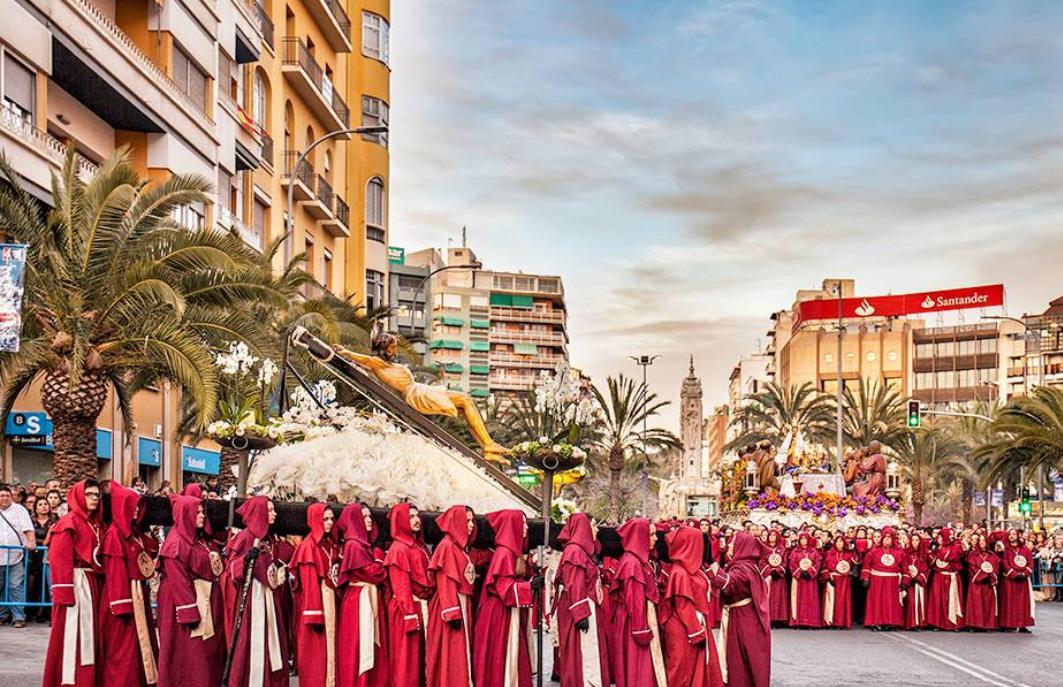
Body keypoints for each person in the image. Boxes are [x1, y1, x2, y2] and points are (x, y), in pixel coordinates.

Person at [332, 332, 511, 461]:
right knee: (465, 400)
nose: (395, 351)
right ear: (384, 348)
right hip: (417, 394)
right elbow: (364, 359)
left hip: (419, 390)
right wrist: (345, 353)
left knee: (465, 404)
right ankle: (488, 444)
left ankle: (487, 446)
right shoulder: (377, 362)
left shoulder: (382, 364)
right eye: (392, 347)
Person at [157, 491, 226, 687]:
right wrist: (189, 612)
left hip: (203, 599)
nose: (202, 516)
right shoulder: (175, 543)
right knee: (189, 654)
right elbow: (178, 581)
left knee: (206, 652)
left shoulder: (202, 539)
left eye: (203, 512)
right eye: (197, 513)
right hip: (185, 604)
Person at [41, 480, 104, 687]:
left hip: (93, 585)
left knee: (91, 637)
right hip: (76, 586)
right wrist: (64, 593)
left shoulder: (97, 524)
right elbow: (59, 559)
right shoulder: (68, 523)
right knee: (73, 637)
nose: (94, 498)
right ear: (78, 496)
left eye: (97, 494)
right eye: (89, 494)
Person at [226, 496, 290, 687]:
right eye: (270, 510)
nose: (274, 514)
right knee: (251, 644)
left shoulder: (268, 538)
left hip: (269, 598)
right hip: (252, 601)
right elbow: (231, 570)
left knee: (271, 643)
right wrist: (245, 559)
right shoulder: (246, 537)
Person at [99, 483, 159, 686]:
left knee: (138, 645)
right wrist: (121, 604)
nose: (136, 510)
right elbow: (115, 573)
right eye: (132, 505)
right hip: (125, 597)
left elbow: (150, 550)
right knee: (123, 649)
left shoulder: (134, 533)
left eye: (138, 506)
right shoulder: (115, 535)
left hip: (138, 594)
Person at [474, 510, 536, 687]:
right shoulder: (504, 554)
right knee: (502, 660)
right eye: (522, 523)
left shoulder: (511, 552)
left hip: (506, 614)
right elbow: (505, 589)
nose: (526, 527)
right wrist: (530, 587)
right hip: (499, 615)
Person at [661, 525, 723, 687]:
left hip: (694, 625)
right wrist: (695, 632)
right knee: (682, 672)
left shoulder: (691, 569)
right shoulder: (680, 572)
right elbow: (683, 606)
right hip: (685, 629)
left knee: (695, 668)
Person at [555, 512, 611, 687]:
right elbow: (575, 584)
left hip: (586, 608)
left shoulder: (581, 552)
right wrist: (581, 614)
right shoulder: (575, 552)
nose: (596, 530)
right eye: (593, 525)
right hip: (580, 611)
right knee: (581, 658)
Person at [708, 531, 770, 687]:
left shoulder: (743, 569)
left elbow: (729, 584)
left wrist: (710, 563)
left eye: (733, 542)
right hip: (746, 617)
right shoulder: (748, 566)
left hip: (742, 619)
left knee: (738, 659)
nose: (729, 545)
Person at [336, 503, 388, 687]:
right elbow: (374, 573)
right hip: (359, 602)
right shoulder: (354, 545)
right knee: (358, 647)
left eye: (369, 516)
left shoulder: (361, 545)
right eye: (364, 516)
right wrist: (379, 556)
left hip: (363, 598)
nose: (369, 520)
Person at [611, 518, 666, 687]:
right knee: (638, 667)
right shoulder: (632, 563)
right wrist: (640, 629)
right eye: (651, 534)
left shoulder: (636, 559)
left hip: (637, 618)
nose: (655, 538)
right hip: (635, 622)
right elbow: (634, 601)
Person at [426, 505, 477, 687]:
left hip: (461, 603)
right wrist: (452, 613)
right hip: (450, 607)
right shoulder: (447, 547)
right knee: (451, 655)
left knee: (460, 654)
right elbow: (445, 583)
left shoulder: (460, 548)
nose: (471, 525)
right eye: (467, 520)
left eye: (472, 521)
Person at [291, 503, 339, 687]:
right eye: (325, 519)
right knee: (316, 656)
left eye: (331, 519)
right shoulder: (308, 547)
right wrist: (314, 615)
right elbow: (310, 584)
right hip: (317, 605)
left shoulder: (328, 544)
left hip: (330, 601)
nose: (329, 523)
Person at [385, 502, 434, 687]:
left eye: (417, 516)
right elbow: (401, 586)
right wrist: (409, 615)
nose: (416, 520)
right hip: (408, 610)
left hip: (420, 608)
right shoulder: (399, 548)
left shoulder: (419, 546)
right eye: (411, 517)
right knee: (407, 663)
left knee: (420, 661)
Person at [0, 482, 35, 628]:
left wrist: (31, 541)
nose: (5, 498)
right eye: (2, 495)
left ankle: (18, 617)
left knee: (16, 586)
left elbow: (27, 528)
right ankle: (1, 616)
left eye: (8, 495)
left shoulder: (19, 510)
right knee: (0, 587)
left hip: (15, 557)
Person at [860, 527, 904, 630]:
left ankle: (891, 622)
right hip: (877, 580)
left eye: (889, 538)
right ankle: (876, 622)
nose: (887, 540)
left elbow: (904, 568)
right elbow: (866, 566)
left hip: (893, 581)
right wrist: (866, 578)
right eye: (885, 538)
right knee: (877, 602)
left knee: (891, 602)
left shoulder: (899, 553)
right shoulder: (873, 552)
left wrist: (905, 581)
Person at [926, 527, 965, 631]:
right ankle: (938, 623)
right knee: (938, 600)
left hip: (951, 576)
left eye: (940, 537)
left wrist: (938, 552)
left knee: (951, 600)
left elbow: (951, 556)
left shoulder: (955, 547)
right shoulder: (937, 548)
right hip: (939, 577)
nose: (938, 539)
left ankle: (953, 623)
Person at [26, 497, 57, 622]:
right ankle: (30, 612)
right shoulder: (30, 522)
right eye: (40, 504)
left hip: (48, 557)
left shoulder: (54, 521)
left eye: (45, 504)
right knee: (33, 586)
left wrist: (40, 543)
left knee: (48, 585)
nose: (43, 506)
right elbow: (27, 537)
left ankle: (46, 614)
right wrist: (41, 543)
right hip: (33, 557)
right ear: (36, 507)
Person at [998, 529, 1035, 632]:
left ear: (1018, 536)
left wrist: (1024, 573)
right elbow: (1005, 564)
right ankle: (1009, 624)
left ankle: (1023, 625)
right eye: (1010, 534)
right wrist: (1014, 574)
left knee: (1023, 602)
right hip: (1010, 580)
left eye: (1014, 534)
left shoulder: (1025, 550)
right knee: (1009, 602)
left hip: (1023, 580)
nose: (1011, 536)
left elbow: (1030, 563)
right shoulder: (1005, 551)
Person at [821, 534, 857, 629]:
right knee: (832, 601)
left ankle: (842, 623)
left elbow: (856, 565)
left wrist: (851, 575)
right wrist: (828, 577)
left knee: (843, 602)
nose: (839, 543)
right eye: (837, 541)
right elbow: (824, 567)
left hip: (844, 580)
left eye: (841, 541)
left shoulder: (849, 554)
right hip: (833, 579)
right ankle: (830, 622)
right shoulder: (829, 554)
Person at [964, 532, 998, 631]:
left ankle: (987, 624)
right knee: (976, 604)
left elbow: (995, 568)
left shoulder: (992, 555)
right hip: (977, 583)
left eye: (984, 540)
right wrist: (984, 575)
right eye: (980, 540)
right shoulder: (973, 555)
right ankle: (975, 625)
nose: (982, 542)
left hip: (988, 584)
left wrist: (990, 575)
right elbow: (972, 568)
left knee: (987, 604)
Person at [786, 531, 821, 628]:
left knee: (811, 599)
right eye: (801, 539)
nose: (803, 540)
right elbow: (792, 563)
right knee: (798, 598)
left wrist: (810, 572)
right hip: (799, 579)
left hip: (810, 579)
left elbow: (817, 563)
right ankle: (798, 621)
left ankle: (811, 622)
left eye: (805, 538)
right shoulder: (795, 551)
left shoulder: (814, 551)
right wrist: (800, 572)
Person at [759, 529, 788, 627]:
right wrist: (770, 570)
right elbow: (761, 562)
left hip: (778, 577)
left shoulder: (782, 549)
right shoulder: (764, 548)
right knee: (768, 597)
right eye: (770, 535)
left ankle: (779, 619)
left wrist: (778, 570)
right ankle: (769, 619)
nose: (772, 537)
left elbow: (784, 562)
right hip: (768, 576)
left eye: (774, 535)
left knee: (779, 597)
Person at [903, 533, 929, 630]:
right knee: (910, 602)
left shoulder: (923, 554)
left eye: (917, 540)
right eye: (913, 540)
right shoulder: (905, 553)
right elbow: (903, 566)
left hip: (919, 581)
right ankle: (911, 623)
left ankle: (920, 623)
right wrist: (908, 578)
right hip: (909, 582)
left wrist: (919, 577)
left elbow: (927, 569)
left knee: (920, 601)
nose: (915, 542)